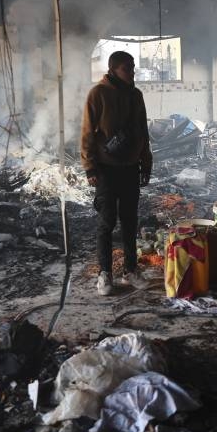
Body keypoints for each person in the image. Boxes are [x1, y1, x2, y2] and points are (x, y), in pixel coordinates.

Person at [81, 50, 153, 296]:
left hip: (130, 169)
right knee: (107, 222)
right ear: (113, 70)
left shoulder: (136, 96)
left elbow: (143, 132)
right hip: (106, 170)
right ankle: (105, 273)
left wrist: (146, 162)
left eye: (133, 68)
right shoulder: (98, 94)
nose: (132, 72)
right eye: (127, 68)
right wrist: (90, 167)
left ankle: (130, 270)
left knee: (130, 222)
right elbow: (88, 133)